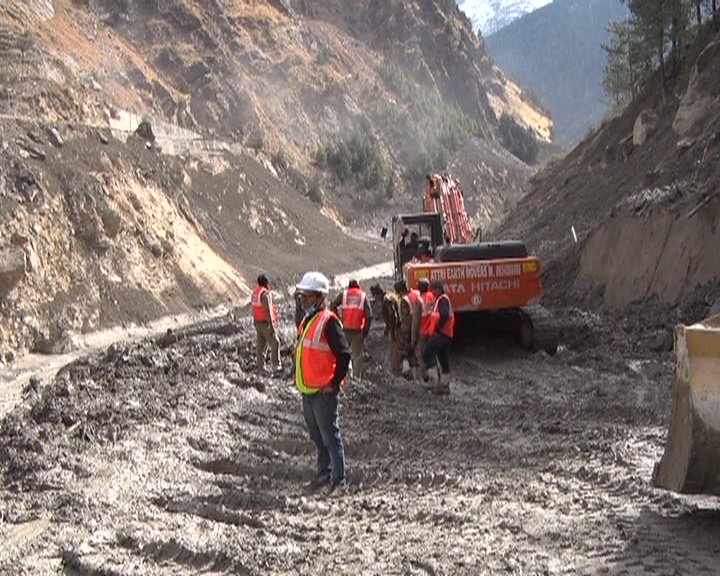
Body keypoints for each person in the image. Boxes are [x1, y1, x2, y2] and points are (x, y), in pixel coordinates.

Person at [295, 271, 352, 496]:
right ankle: (324, 472)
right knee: (317, 435)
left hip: (323, 392)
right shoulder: (309, 320)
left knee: (330, 436)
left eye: (307, 297)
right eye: (302, 297)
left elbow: (344, 354)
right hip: (308, 390)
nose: (303, 301)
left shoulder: (328, 322)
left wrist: (334, 383)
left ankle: (339, 481)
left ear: (320, 297)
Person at [330, 279, 372, 379]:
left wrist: (337, 319)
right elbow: (369, 315)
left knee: (343, 354)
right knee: (357, 356)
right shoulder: (362, 296)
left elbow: (333, 305)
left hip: (345, 329)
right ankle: (357, 379)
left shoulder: (344, 295)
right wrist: (365, 331)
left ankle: (344, 378)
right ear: (358, 286)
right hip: (358, 330)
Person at [421, 279, 454, 395]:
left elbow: (444, 314)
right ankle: (444, 385)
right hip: (447, 334)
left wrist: (438, 328)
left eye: (433, 290)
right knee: (443, 358)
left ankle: (434, 382)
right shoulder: (443, 299)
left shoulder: (442, 300)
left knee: (426, 354)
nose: (432, 293)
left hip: (441, 334)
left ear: (438, 289)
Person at [370, 283, 402, 376]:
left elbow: (392, 316)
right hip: (396, 327)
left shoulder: (386, 300)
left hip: (395, 328)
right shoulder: (390, 296)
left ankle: (396, 372)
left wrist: (390, 330)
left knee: (394, 350)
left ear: (378, 294)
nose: (375, 299)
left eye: (375, 296)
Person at [251, 273, 280, 374]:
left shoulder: (255, 293)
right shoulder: (264, 295)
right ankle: (276, 366)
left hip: (257, 322)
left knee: (261, 345)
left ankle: (261, 367)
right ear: (266, 283)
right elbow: (268, 311)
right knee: (275, 342)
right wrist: (272, 327)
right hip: (264, 323)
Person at [412, 277, 435, 383]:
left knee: (421, 356)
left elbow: (415, 321)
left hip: (423, 333)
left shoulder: (419, 301)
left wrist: (413, 338)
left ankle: (427, 379)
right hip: (434, 331)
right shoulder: (433, 297)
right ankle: (435, 376)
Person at [393, 280, 415, 379]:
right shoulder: (415, 294)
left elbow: (405, 319)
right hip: (422, 326)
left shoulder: (404, 301)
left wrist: (404, 334)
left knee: (404, 349)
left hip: (410, 327)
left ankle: (407, 370)